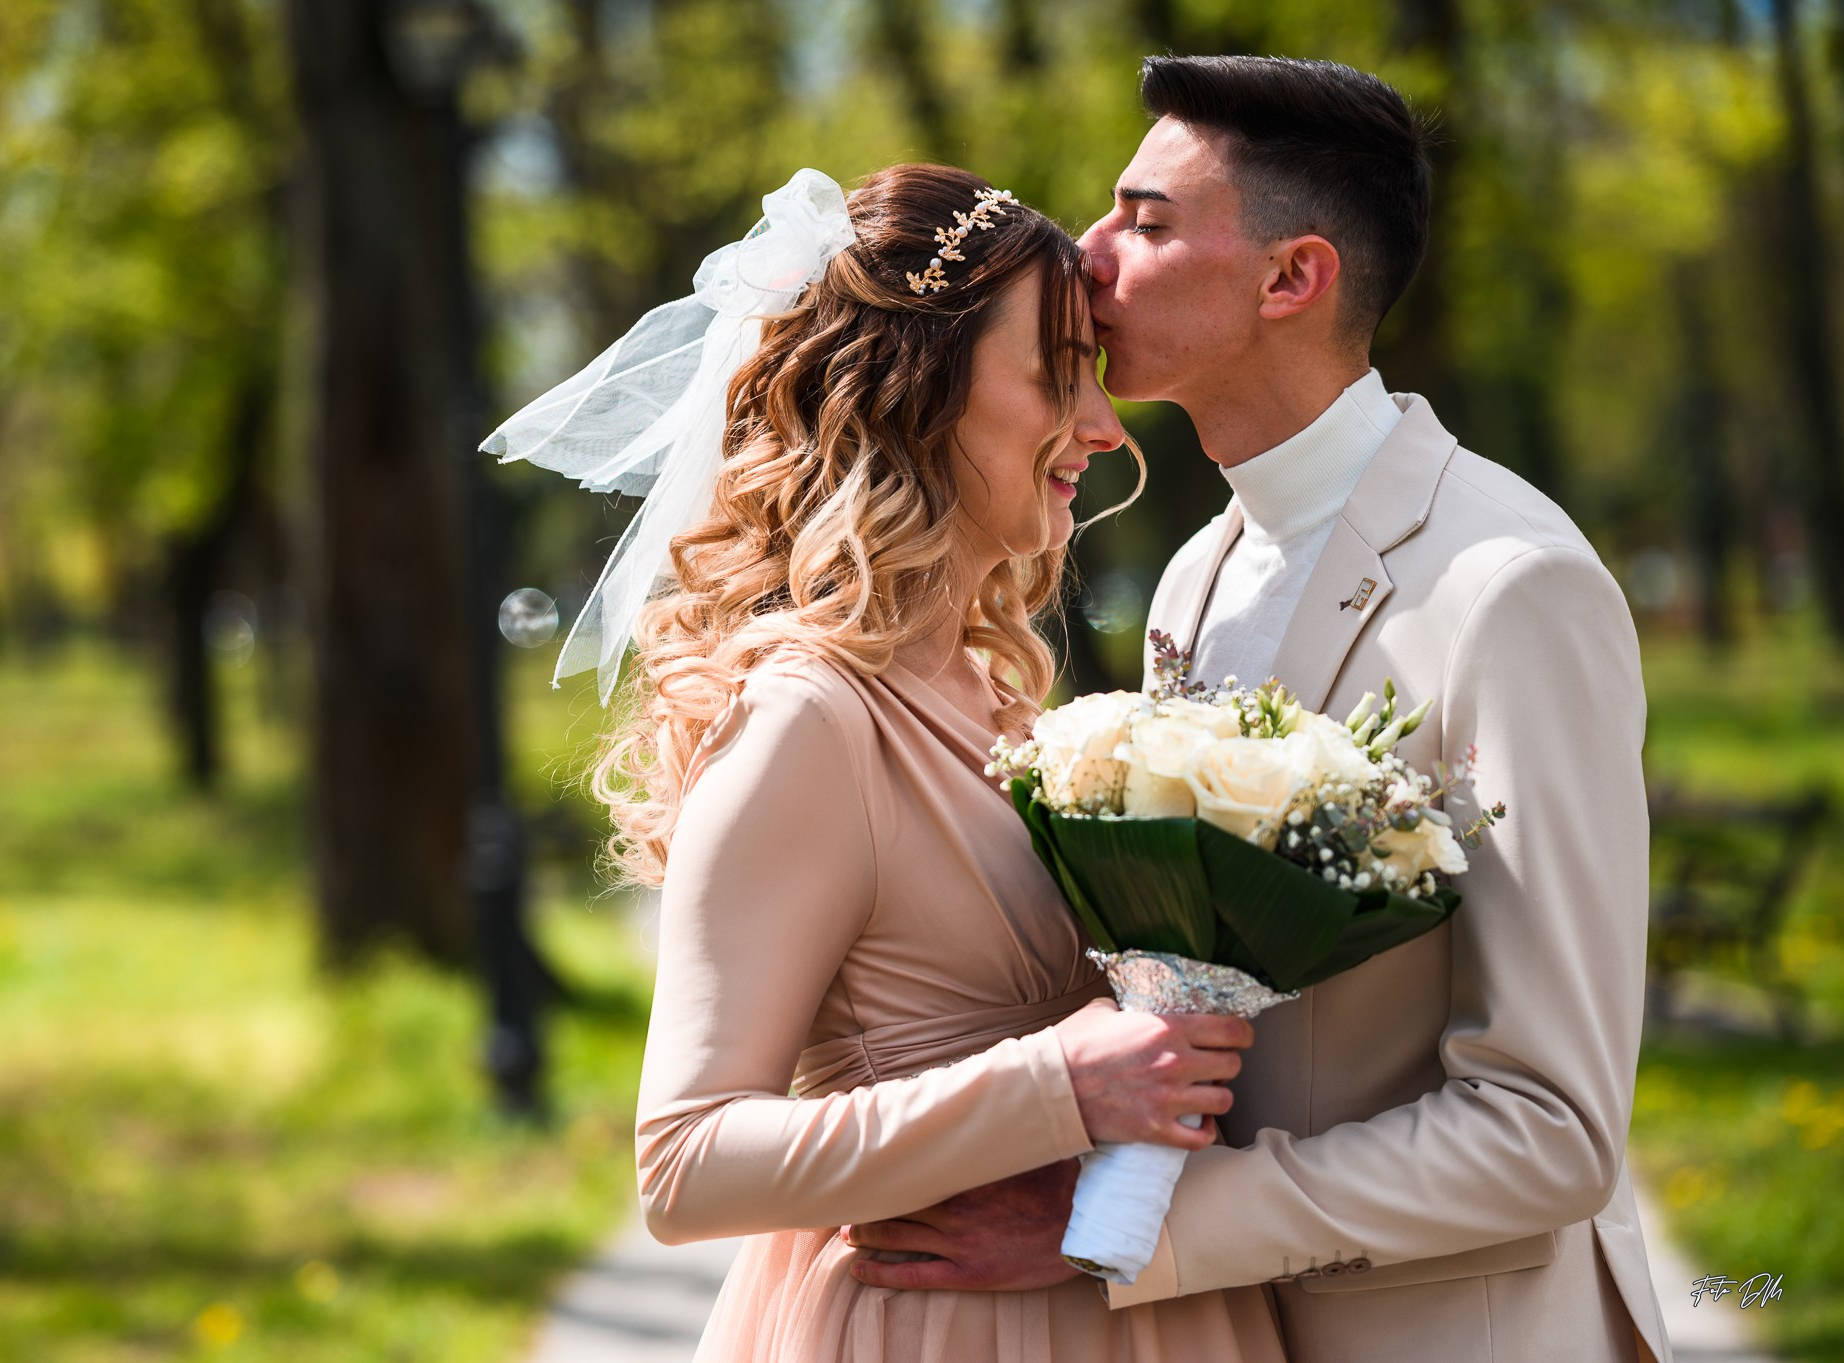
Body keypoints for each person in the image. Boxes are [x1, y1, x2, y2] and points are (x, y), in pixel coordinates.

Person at [844, 55, 1674, 1363]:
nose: (1089, 252)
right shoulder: (1196, 569)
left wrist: (1121, 1223)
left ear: (1293, 278)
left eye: (1148, 220)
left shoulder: (1513, 589)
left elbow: (1554, 1128)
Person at [494, 163, 1287, 1360]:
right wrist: (1059, 1086)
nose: (1100, 428)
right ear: (912, 395)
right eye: (1054, 376)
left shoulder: (996, 688)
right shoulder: (809, 719)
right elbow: (684, 1162)